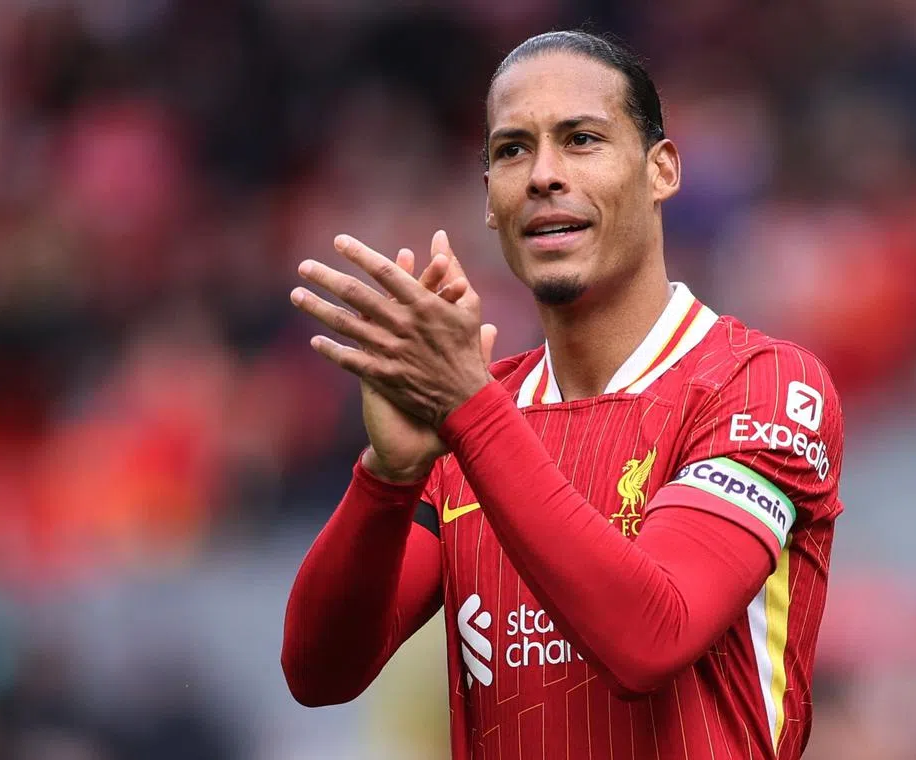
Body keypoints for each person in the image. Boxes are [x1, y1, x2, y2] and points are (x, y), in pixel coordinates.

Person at [281, 30, 844, 760]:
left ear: (661, 171)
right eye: (513, 150)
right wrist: (386, 478)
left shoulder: (762, 385)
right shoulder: (473, 418)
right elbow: (319, 672)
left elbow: (652, 636)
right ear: (489, 200)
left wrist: (469, 410)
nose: (543, 174)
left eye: (581, 139)